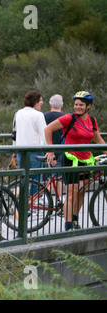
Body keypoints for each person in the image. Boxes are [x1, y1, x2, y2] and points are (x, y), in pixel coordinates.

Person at [45, 91, 106, 231]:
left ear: (88, 106)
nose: (77, 107)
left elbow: (97, 139)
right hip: (70, 159)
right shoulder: (68, 118)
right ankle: (68, 225)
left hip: (85, 160)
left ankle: (75, 220)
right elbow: (48, 129)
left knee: (81, 192)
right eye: (76, 104)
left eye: (81, 105)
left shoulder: (92, 121)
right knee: (71, 192)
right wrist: (50, 149)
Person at [11, 90, 47, 185]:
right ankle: (32, 199)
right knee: (35, 179)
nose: (42, 103)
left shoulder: (18, 113)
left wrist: (14, 150)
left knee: (23, 178)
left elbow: (14, 133)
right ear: (35, 101)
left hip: (20, 151)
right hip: (36, 151)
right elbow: (44, 134)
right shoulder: (39, 115)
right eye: (40, 100)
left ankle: (22, 199)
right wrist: (49, 150)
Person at [43, 94, 65, 201]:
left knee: (50, 177)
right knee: (58, 176)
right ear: (62, 105)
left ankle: (48, 198)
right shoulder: (66, 117)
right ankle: (57, 199)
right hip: (61, 149)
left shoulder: (43, 116)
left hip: (47, 149)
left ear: (50, 104)